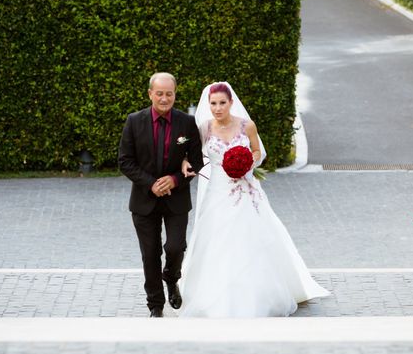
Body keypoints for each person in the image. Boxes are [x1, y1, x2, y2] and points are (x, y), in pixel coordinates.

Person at [178, 82, 329, 317]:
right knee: (217, 237)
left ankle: (258, 292)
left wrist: (247, 161)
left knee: (252, 234)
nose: (217, 108)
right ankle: (215, 293)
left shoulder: (246, 126)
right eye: (213, 103)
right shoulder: (204, 128)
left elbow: (258, 152)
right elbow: (191, 153)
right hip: (217, 190)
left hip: (246, 189)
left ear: (231, 103)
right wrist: (186, 162)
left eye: (222, 103)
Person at [118, 72, 204, 318]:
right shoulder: (134, 121)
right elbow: (125, 161)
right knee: (150, 253)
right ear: (150, 94)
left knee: (176, 246)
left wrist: (175, 180)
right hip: (144, 200)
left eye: (169, 94)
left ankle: (172, 278)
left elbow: (197, 162)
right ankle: (155, 305)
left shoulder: (187, 123)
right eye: (159, 93)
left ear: (175, 94)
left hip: (176, 199)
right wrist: (151, 183)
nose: (164, 98)